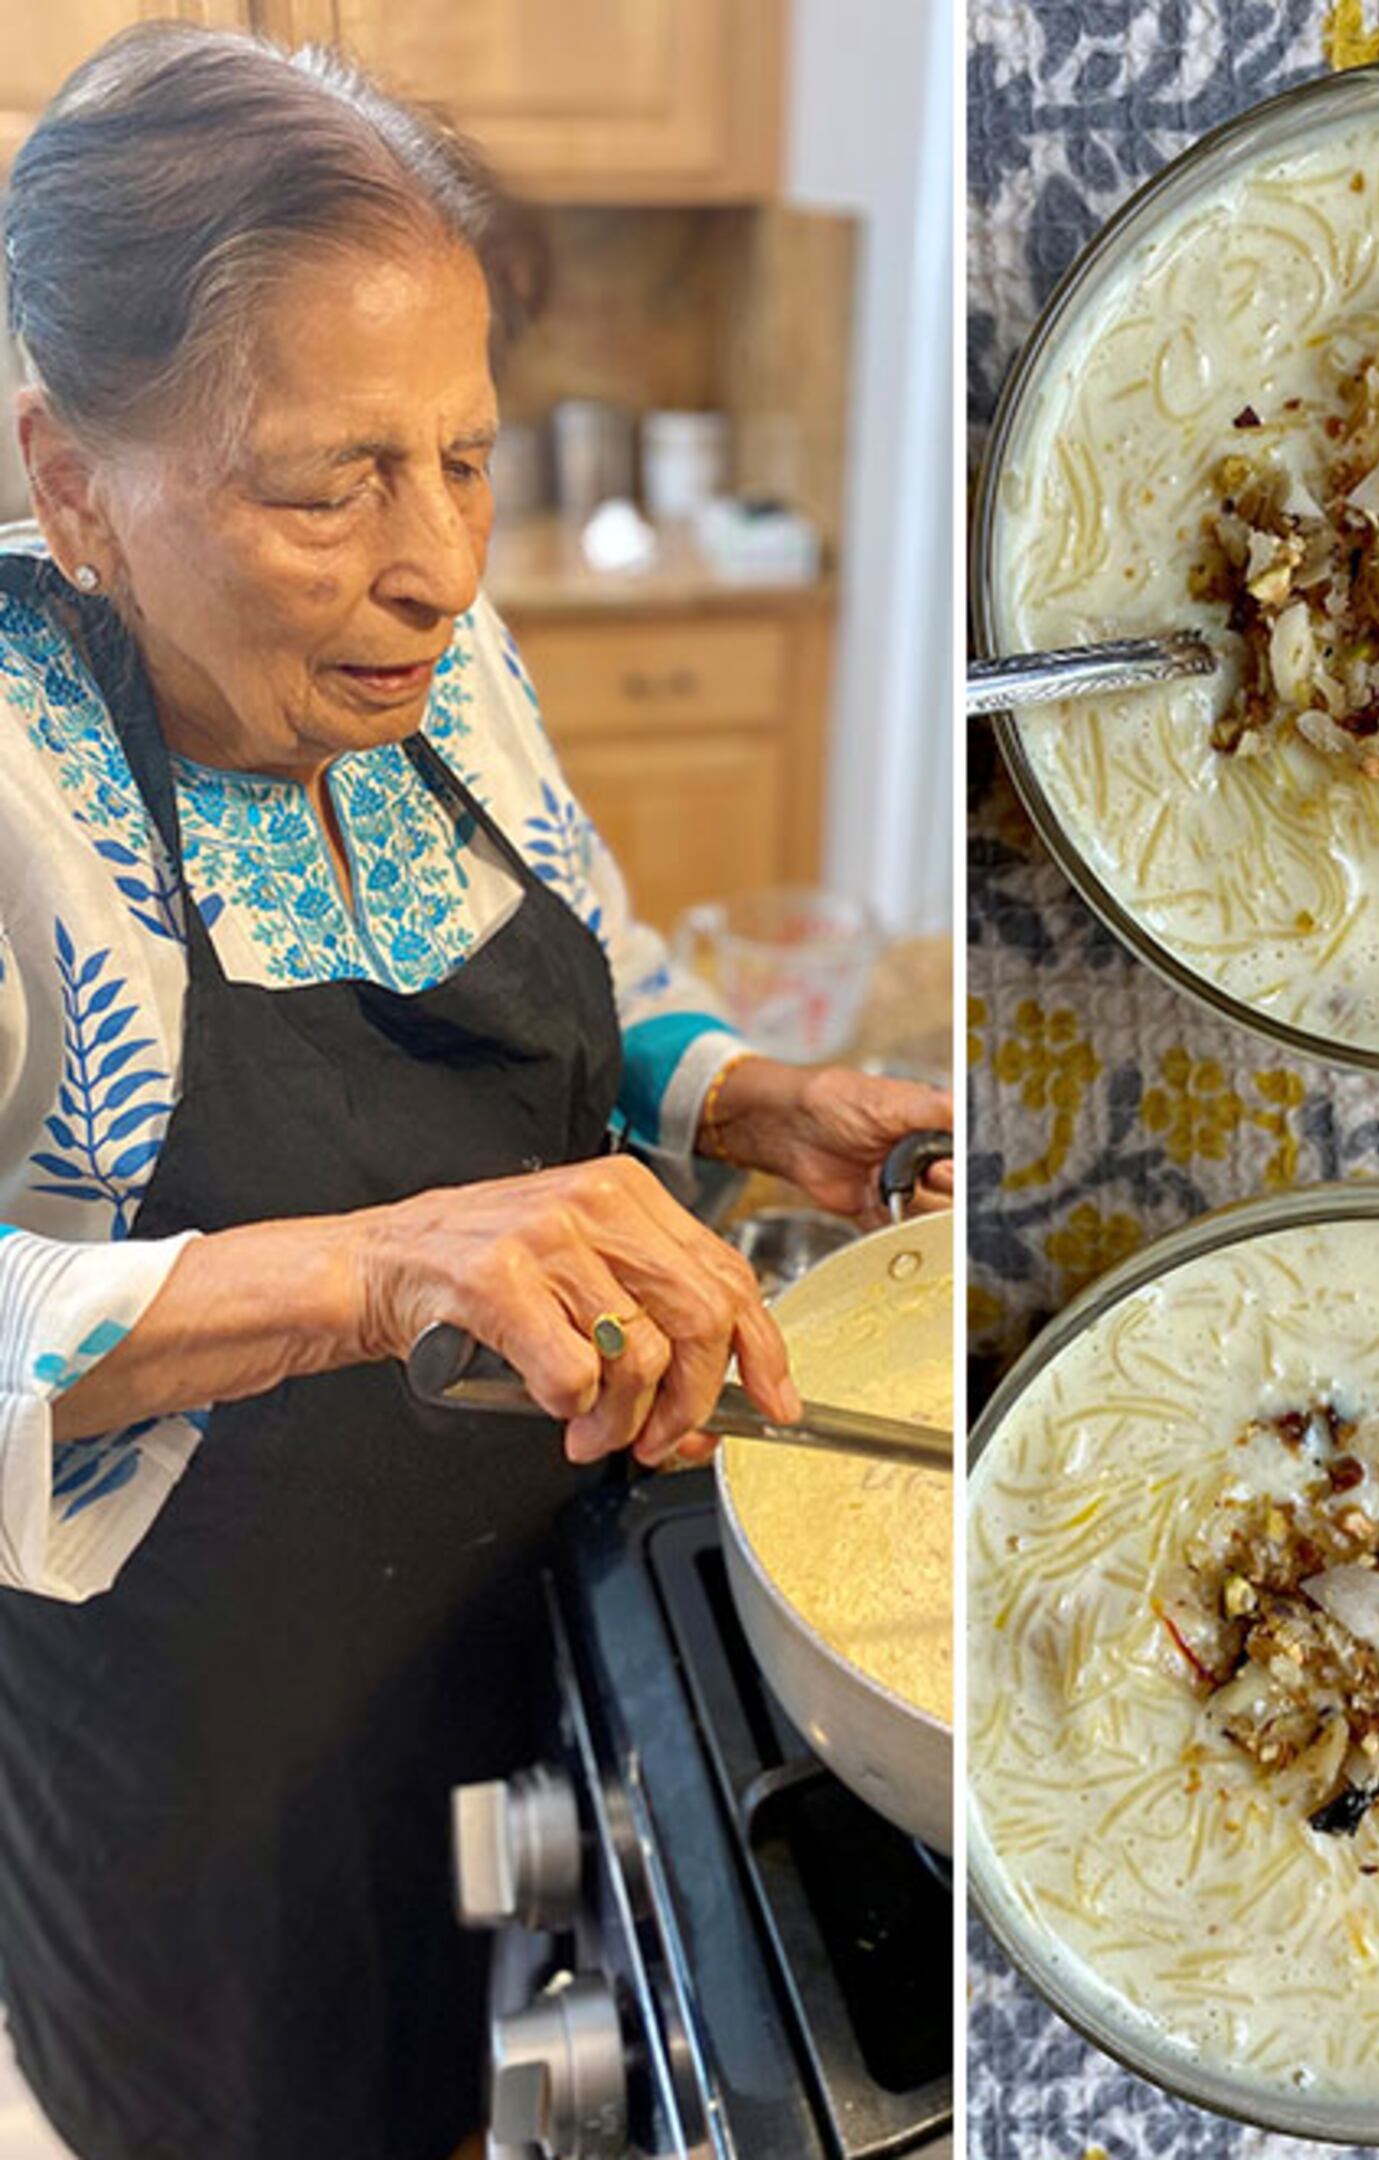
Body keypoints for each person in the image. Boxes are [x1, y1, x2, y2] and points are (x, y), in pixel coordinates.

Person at [0, 29, 948, 2156]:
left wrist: (737, 1095)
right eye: (329, 481)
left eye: (464, 456)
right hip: (215, 1770)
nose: (434, 562)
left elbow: (582, 942)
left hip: (524, 1618)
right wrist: (374, 1265)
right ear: (74, 477)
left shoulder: (441, 645)